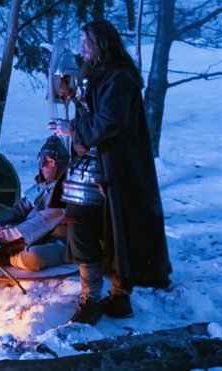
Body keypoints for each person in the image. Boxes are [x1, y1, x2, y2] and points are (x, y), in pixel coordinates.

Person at [48, 20, 171, 325]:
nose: (83, 47)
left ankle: (115, 298)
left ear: (103, 43)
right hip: (93, 164)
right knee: (86, 226)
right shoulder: (100, 74)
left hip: (114, 165)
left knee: (113, 230)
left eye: (87, 41)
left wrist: (74, 129)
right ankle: (95, 298)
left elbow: (109, 121)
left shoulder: (120, 77)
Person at [0, 136, 69, 271]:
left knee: (33, 257)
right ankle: (14, 252)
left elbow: (45, 219)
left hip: (57, 242)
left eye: (49, 161)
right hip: (29, 237)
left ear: (60, 165)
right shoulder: (41, 187)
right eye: (42, 161)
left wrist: (13, 234)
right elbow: (19, 209)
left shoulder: (67, 190)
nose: (44, 166)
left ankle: (9, 259)